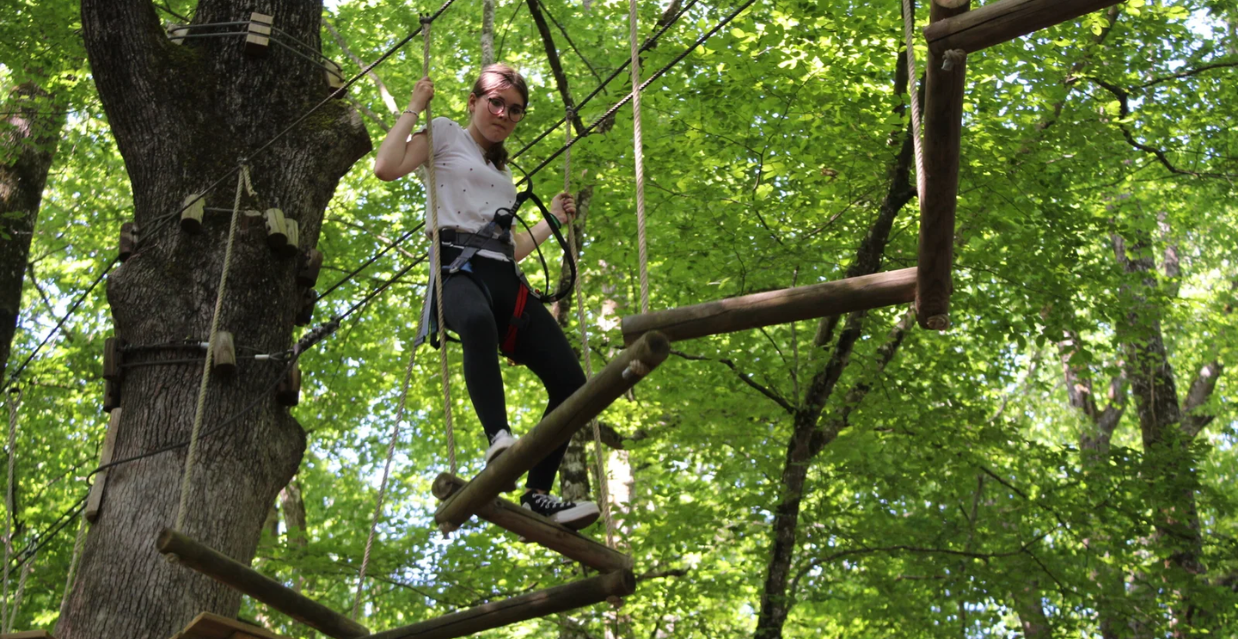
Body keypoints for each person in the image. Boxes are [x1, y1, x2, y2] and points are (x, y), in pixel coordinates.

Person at [373, 63, 598, 530]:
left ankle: (538, 494)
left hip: (505, 280)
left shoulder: (503, 173)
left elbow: (512, 247)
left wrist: (552, 220)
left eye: (514, 110)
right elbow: (385, 167)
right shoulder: (444, 133)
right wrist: (414, 107)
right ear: (473, 102)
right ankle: (498, 437)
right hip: (458, 273)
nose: (503, 114)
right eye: (496, 103)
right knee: (476, 323)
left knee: (573, 384)